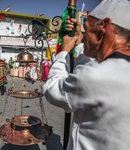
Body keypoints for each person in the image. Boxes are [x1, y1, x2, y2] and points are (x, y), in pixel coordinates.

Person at [43, 0, 130, 150]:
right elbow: (88, 76)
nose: (83, 36)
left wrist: (63, 53)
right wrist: (81, 46)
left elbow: (52, 89)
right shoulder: (113, 71)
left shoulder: (98, 77)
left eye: (86, 29)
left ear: (104, 26)